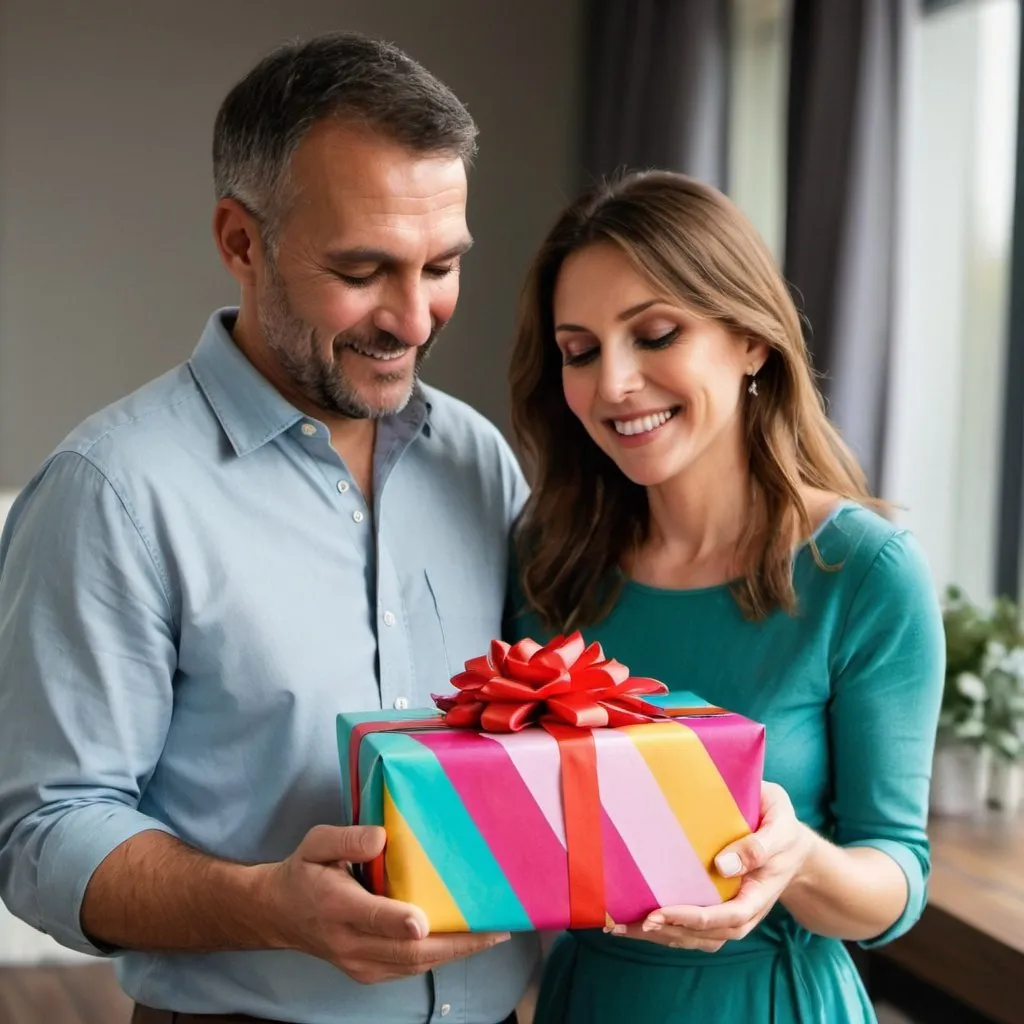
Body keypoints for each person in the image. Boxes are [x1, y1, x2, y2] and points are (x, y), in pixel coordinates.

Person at [0, 32, 537, 1024]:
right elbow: (43, 835)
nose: (414, 319)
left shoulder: (477, 457)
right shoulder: (109, 491)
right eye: (365, 269)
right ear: (241, 241)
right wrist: (268, 906)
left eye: (442, 266)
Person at [508, 170, 945, 1023]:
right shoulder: (549, 560)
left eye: (656, 333)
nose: (614, 384)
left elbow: (898, 877)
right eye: (580, 351)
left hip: (772, 1000)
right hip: (586, 999)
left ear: (751, 339)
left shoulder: (864, 573)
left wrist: (800, 862)